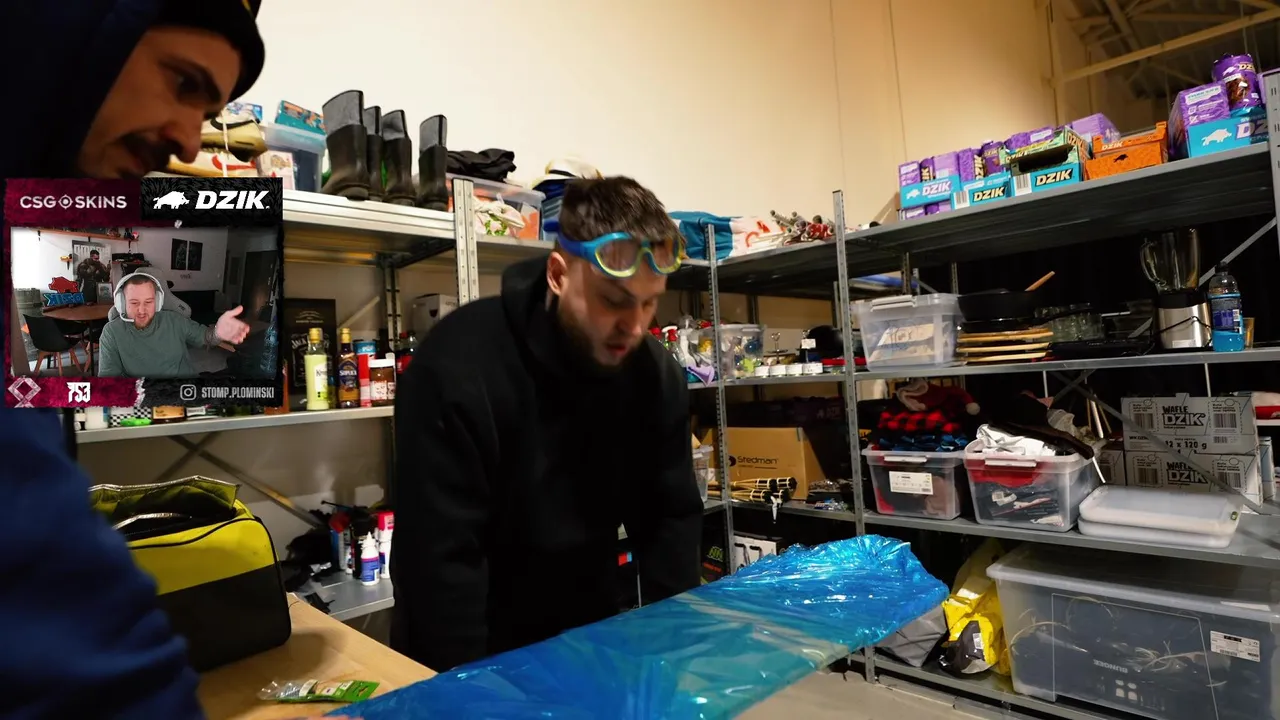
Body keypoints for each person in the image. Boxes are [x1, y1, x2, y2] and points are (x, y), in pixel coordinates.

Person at [0, 2, 274, 719]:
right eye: (182, 82)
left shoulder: (169, 319)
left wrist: (222, 337)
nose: (185, 140)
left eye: (207, 113)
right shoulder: (109, 330)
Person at [391, 176, 703, 672]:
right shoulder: (457, 367)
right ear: (558, 274)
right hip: (469, 642)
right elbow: (438, 566)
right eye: (614, 300)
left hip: (586, 634)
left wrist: (676, 655)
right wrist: (465, 696)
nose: (635, 326)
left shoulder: (653, 374)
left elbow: (670, 520)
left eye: (649, 302)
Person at [97, 271, 251, 378]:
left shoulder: (174, 320)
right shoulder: (112, 333)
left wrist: (218, 332)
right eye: (134, 303)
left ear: (158, 301)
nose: (142, 310)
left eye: (148, 302)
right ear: (122, 303)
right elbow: (109, 383)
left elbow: (206, 337)